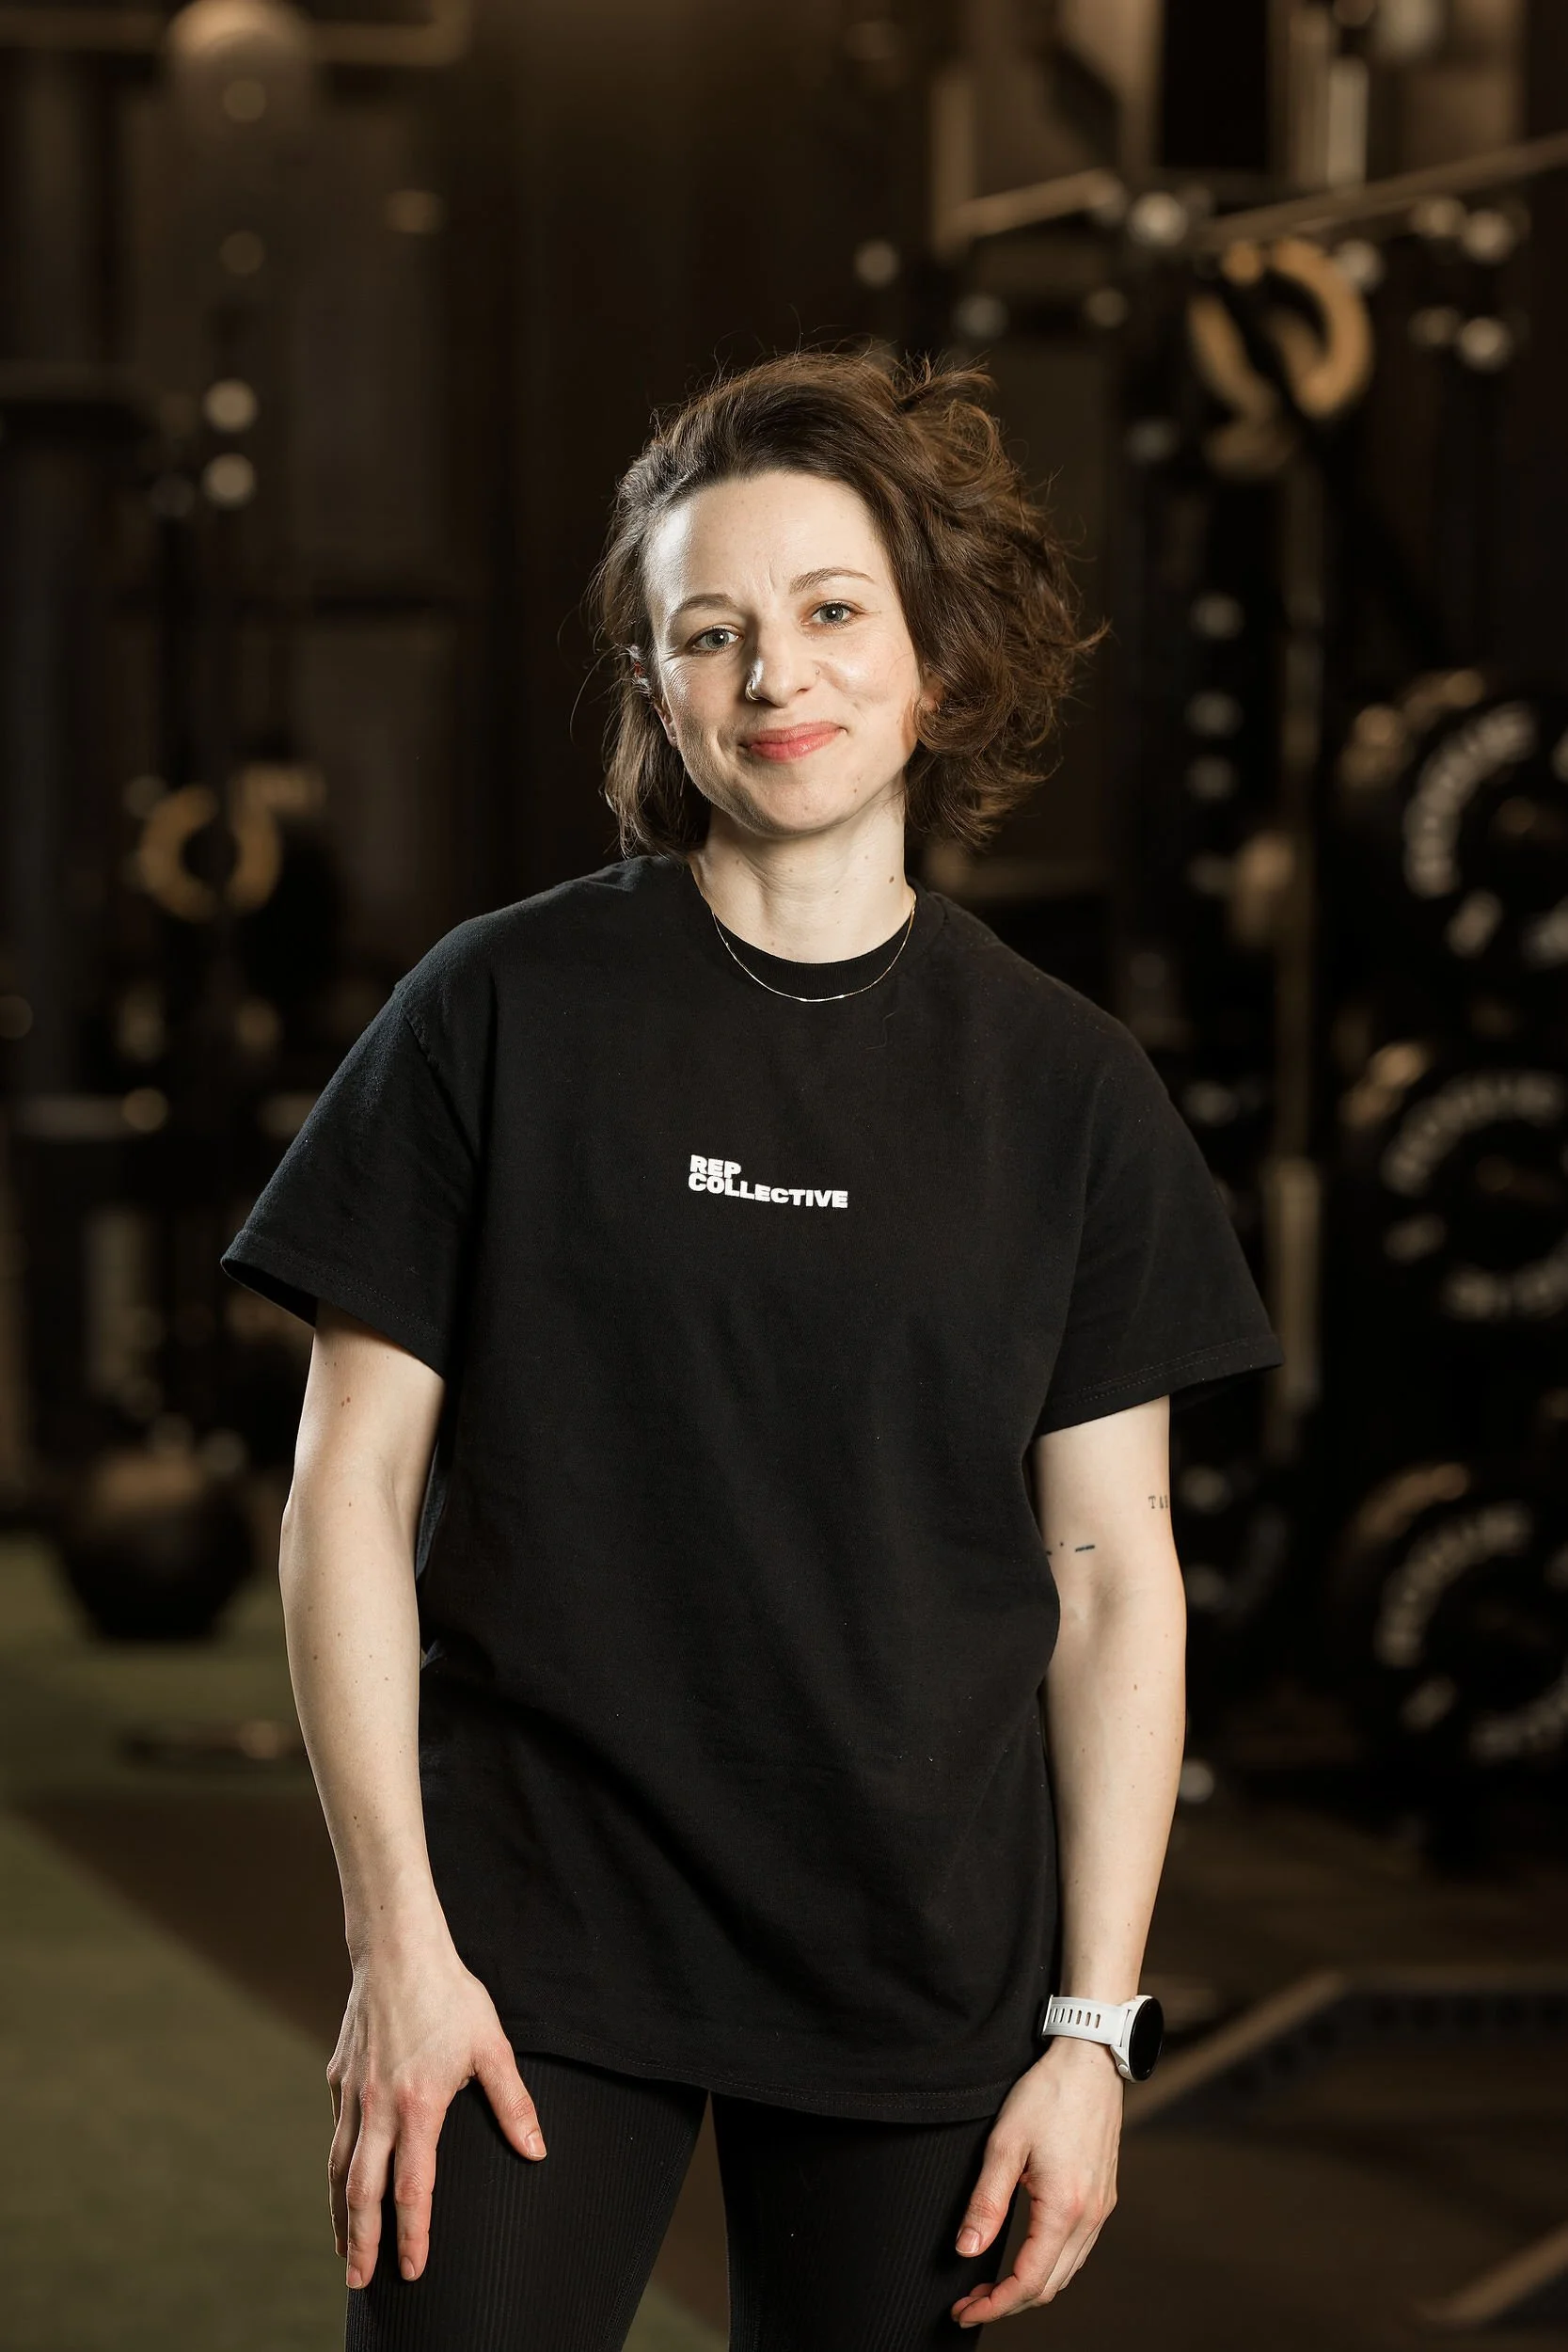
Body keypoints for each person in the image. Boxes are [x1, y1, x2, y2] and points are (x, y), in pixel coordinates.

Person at [220, 347, 1282, 2350]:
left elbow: (1110, 1572)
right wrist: (396, 1941)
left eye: (827, 614)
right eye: (709, 634)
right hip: (530, 1940)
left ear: (934, 663)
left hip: (913, 1947)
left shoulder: (1065, 1090)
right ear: (655, 692)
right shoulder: (498, 1008)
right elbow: (346, 1485)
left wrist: (1092, 2030)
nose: (773, 674)